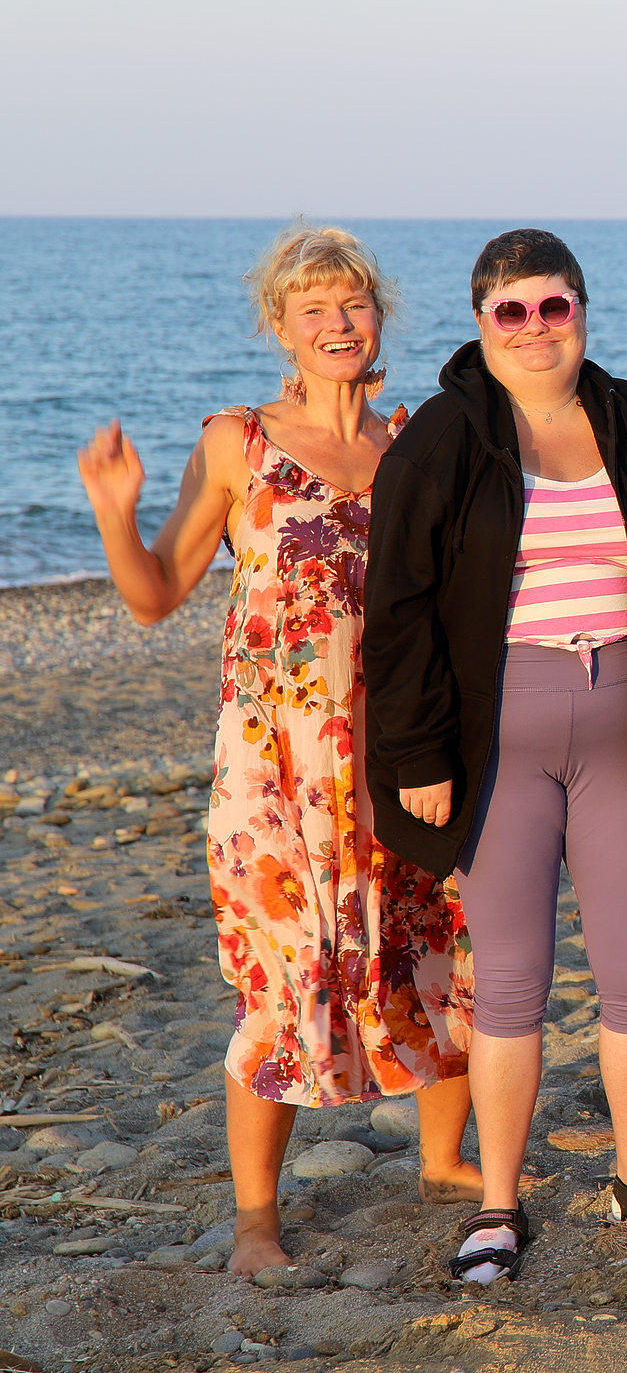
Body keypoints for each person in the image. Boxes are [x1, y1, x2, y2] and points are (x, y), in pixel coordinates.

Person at [74, 222, 477, 1277]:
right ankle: (257, 1222)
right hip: (278, 772)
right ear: (280, 331)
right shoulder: (238, 442)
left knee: (435, 949)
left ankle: (441, 1163)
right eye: (315, 313)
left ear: (378, 317)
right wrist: (115, 516)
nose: (338, 326)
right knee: (287, 982)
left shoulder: (411, 444)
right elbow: (157, 595)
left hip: (403, 753)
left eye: (353, 307)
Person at [364, 229, 627, 1283]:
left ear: (582, 311)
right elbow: (394, 613)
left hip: (625, 724)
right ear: (481, 323)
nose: (536, 328)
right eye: (512, 311)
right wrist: (417, 756)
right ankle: (497, 1205)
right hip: (499, 744)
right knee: (514, 985)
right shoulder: (442, 439)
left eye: (554, 307)